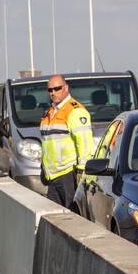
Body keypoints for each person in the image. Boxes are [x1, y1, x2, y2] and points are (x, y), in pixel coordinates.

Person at [39, 75, 94, 207]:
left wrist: (81, 172)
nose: (53, 92)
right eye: (50, 90)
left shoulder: (75, 111)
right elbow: (47, 144)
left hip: (68, 174)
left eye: (57, 89)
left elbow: (85, 144)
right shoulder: (50, 112)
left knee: (72, 216)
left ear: (66, 88)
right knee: (56, 218)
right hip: (52, 176)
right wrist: (43, 168)